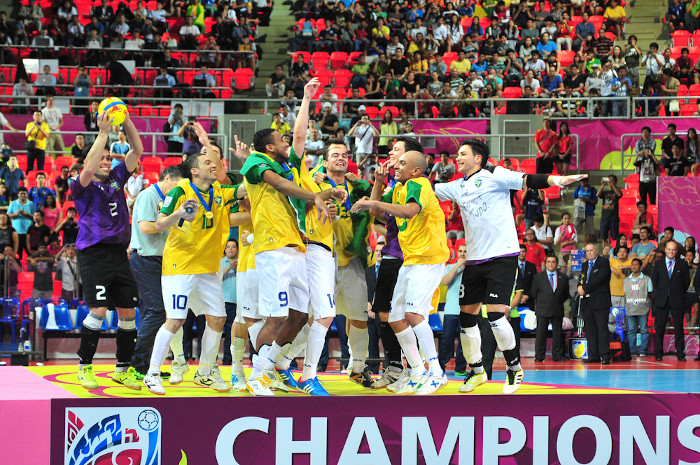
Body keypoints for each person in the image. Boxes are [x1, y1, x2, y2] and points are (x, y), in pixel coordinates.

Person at [434, 138, 584, 394]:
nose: (457, 158)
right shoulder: (457, 186)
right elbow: (429, 190)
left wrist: (557, 181)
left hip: (501, 257)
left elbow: (529, 179)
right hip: (474, 261)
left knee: (495, 317)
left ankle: (514, 369)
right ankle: (477, 370)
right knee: (467, 319)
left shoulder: (495, 175)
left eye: (462, 154)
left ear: (477, 158)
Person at [239, 123, 343, 396]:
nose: (287, 144)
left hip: (296, 247)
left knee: (298, 317)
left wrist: (325, 195)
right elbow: (280, 184)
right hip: (272, 248)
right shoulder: (255, 161)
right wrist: (314, 195)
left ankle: (269, 367)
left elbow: (299, 196)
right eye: (281, 140)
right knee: (275, 318)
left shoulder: (290, 171)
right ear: (269, 147)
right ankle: (257, 376)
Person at [144, 129, 241, 394]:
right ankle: (152, 373)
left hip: (208, 269)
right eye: (207, 163)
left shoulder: (221, 191)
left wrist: (249, 161)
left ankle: (205, 373)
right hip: (180, 267)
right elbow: (159, 223)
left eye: (215, 162)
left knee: (219, 319)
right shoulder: (180, 190)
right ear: (194, 172)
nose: (213, 165)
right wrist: (178, 214)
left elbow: (245, 188)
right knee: (175, 320)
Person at [352, 149, 450, 394]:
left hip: (429, 258)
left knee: (415, 315)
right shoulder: (398, 188)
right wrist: (377, 185)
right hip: (411, 260)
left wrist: (372, 201)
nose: (397, 166)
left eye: (402, 163)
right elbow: (377, 214)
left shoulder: (420, 184)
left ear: (416, 169)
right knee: (395, 318)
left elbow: (408, 211)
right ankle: (417, 371)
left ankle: (436, 373)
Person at [71, 111, 143, 391]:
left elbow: (137, 150)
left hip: (118, 254)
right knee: (99, 310)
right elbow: (87, 170)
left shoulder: (116, 178)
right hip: (94, 254)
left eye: (106, 157)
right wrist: (102, 134)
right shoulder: (80, 185)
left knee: (128, 313)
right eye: (99, 157)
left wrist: (125, 121)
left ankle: (123, 369)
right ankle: (84, 366)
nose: (104, 160)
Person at [127, 165, 187, 381]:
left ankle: (144, 364)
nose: (178, 191)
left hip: (162, 261)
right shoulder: (148, 196)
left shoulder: (167, 201)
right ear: (168, 178)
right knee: (157, 311)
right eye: (177, 186)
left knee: (152, 313)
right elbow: (146, 227)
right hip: (146, 259)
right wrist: (174, 217)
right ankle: (136, 363)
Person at [651, 240, 691, 361]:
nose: (671, 251)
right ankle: (658, 353)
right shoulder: (658, 264)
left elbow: (686, 282)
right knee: (660, 327)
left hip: (677, 299)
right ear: (665, 249)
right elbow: (655, 281)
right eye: (669, 249)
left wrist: (677, 292)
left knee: (679, 327)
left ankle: (680, 353)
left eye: (673, 249)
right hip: (662, 299)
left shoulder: (682, 264)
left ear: (677, 251)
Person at [578, 242, 613, 364]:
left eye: (591, 250)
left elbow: (599, 279)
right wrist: (579, 286)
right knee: (590, 329)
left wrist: (585, 288)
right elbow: (581, 279)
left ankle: (605, 355)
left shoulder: (603, 262)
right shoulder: (584, 265)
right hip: (587, 302)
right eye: (587, 251)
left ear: (596, 251)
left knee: (602, 329)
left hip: (600, 301)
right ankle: (593, 355)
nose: (589, 253)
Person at [531, 255, 569, 362]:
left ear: (556, 264)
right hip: (542, 309)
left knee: (557, 334)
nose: (551, 264)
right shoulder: (538, 277)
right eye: (549, 262)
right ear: (545, 264)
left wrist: (557, 301)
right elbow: (534, 293)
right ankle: (539, 356)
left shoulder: (563, 277)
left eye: (553, 262)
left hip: (557, 308)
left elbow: (566, 294)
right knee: (541, 334)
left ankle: (557, 356)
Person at [438, 244, 468, 375]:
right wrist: (457, 266)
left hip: (467, 310)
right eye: (460, 251)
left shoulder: (473, 270)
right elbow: (445, 282)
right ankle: (440, 366)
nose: (462, 254)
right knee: (447, 339)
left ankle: (460, 368)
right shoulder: (450, 267)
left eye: (465, 252)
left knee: (464, 341)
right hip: (451, 309)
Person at [624, 258, 652, 357]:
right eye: (633, 264)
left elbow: (650, 293)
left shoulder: (647, 279)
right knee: (631, 330)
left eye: (636, 264)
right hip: (630, 308)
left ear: (640, 266)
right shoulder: (626, 280)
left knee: (644, 329)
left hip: (643, 308)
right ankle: (632, 351)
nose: (634, 266)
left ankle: (643, 350)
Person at [220, 239, 238, 366]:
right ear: (225, 250)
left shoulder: (241, 262)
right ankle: (218, 360)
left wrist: (236, 268)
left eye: (233, 247)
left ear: (237, 249)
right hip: (222, 302)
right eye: (228, 247)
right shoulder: (220, 262)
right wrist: (229, 267)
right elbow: (216, 277)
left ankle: (229, 359)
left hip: (237, 302)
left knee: (232, 333)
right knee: (217, 331)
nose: (230, 249)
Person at [7, 187, 36, 259]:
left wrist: (27, 214)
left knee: (30, 252)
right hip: (17, 232)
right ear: (18, 194)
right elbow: (8, 215)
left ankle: (30, 268)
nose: (23, 195)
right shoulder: (13, 203)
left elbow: (36, 216)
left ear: (27, 195)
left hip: (28, 232)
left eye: (24, 194)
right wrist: (16, 214)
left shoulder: (31, 204)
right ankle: (18, 268)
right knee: (17, 252)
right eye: (21, 194)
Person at [597, 175, 623, 248]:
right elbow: (598, 194)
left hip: (613, 218)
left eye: (612, 180)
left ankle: (615, 250)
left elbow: (619, 194)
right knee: (604, 237)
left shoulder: (617, 190)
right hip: (604, 217)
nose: (610, 182)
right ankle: (605, 251)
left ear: (615, 181)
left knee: (615, 237)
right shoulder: (605, 192)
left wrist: (613, 186)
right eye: (609, 180)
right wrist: (602, 185)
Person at [572, 178, 598, 245]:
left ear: (588, 181)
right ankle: (574, 243)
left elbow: (595, 201)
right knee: (575, 229)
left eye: (584, 182)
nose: (583, 183)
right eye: (582, 182)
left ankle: (586, 243)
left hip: (589, 212)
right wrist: (579, 200)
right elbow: (574, 198)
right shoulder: (578, 189)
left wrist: (587, 200)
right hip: (579, 212)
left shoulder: (592, 190)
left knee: (589, 230)